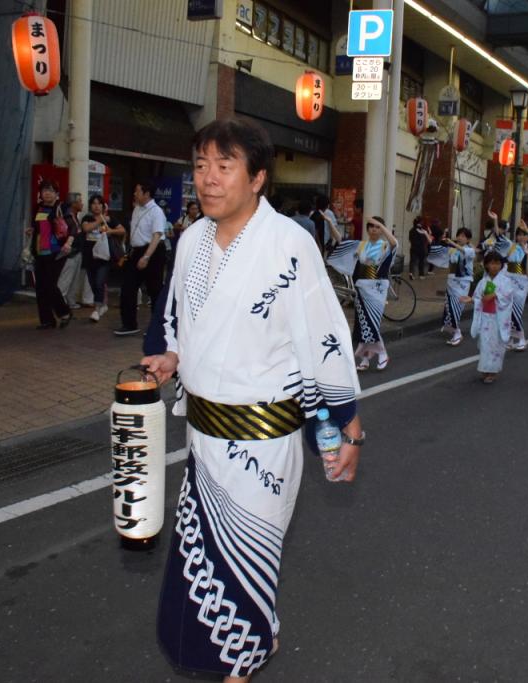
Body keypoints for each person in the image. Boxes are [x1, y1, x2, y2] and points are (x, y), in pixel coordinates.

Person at [141, 118, 363, 682]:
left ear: (258, 177)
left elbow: (325, 340)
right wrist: (173, 358)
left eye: (225, 166)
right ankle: (250, 640)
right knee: (200, 567)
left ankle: (242, 662)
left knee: (245, 567)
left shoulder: (289, 245)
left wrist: (346, 429)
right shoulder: (190, 240)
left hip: (262, 448)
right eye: (200, 166)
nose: (208, 180)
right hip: (204, 441)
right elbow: (181, 326)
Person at [327, 216, 398, 371]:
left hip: (377, 288)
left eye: (377, 226)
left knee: (372, 322)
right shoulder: (361, 245)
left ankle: (383, 353)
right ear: (367, 229)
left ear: (382, 229)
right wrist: (331, 223)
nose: (374, 229)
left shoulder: (385, 246)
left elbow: (395, 243)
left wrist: (382, 224)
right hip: (362, 287)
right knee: (362, 324)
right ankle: (365, 358)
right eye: (371, 226)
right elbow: (340, 240)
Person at [114, 180, 167, 336]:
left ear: (147, 193)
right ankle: (129, 324)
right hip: (136, 251)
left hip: (153, 251)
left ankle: (159, 327)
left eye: (137, 191)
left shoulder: (156, 212)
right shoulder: (137, 208)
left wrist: (146, 256)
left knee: (154, 290)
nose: (135, 194)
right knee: (128, 288)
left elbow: (157, 235)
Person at [462, 250, 516, 384]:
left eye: (497, 263)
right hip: (486, 317)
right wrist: (471, 300)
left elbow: (508, 296)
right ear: (486, 265)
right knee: (485, 344)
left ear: (501, 265)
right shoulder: (483, 281)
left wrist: (495, 295)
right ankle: (485, 369)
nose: (494, 266)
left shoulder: (506, 281)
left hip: (498, 317)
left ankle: (493, 371)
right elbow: (479, 298)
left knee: (496, 345)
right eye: (491, 263)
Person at [27, 179, 74, 329]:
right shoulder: (38, 208)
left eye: (50, 191)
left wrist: (68, 243)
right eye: (44, 190)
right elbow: (37, 227)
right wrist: (31, 231)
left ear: (57, 194)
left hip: (57, 252)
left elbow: (73, 228)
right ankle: (47, 320)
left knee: (50, 284)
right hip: (40, 251)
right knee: (40, 286)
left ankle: (64, 312)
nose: (47, 193)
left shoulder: (62, 208)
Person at [82, 194, 126, 322]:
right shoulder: (87, 217)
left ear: (103, 206)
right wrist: (99, 221)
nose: (96, 206)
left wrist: (110, 231)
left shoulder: (110, 219)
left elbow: (122, 230)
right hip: (89, 256)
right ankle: (102, 304)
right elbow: (86, 228)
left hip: (104, 256)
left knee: (99, 281)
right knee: (92, 283)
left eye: (99, 203)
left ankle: (96, 308)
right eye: (94, 203)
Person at [429, 227, 475, 345]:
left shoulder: (470, 250)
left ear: (468, 239)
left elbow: (464, 252)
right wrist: (432, 239)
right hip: (452, 281)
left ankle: (456, 332)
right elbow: (438, 252)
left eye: (464, 236)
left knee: (457, 306)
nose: (460, 238)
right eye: (459, 235)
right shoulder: (452, 250)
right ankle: (455, 331)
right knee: (450, 305)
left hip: (463, 282)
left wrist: (453, 243)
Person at [504, 218, 528, 351]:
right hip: (509, 280)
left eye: (523, 234)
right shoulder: (511, 246)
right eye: (519, 234)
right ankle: (510, 338)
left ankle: (521, 338)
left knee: (517, 311)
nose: (521, 237)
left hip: (522, 281)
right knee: (508, 311)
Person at [57, 191, 93, 310]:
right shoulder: (68, 217)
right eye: (80, 201)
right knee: (66, 278)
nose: (82, 204)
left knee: (74, 279)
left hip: (76, 252)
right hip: (70, 252)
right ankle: (59, 302)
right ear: (73, 203)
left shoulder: (74, 216)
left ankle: (70, 301)